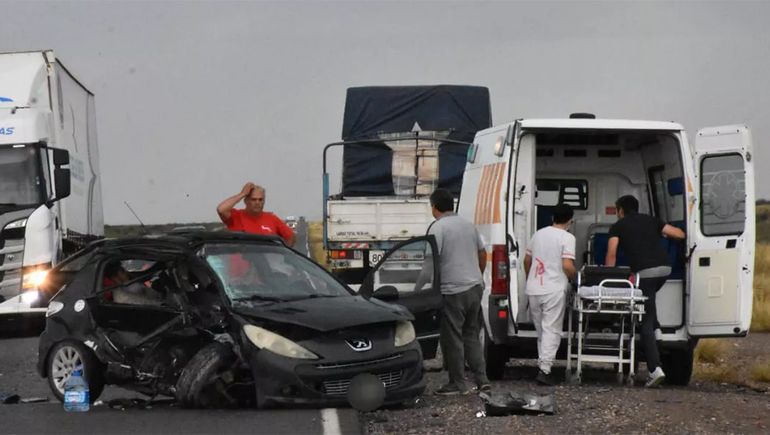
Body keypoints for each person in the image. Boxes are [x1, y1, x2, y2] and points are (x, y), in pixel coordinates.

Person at [605, 195, 686, 387]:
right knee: (649, 298)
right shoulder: (652, 220)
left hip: (646, 273)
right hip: (664, 269)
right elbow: (679, 234)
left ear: (620, 210)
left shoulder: (618, 226)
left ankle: (654, 369)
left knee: (645, 319)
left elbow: (611, 253)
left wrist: (608, 277)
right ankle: (657, 331)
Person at [421, 188, 491, 396]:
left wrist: (420, 286)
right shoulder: (468, 226)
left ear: (434, 206)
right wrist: (478, 275)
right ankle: (482, 380)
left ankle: (457, 382)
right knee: (471, 334)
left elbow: (430, 262)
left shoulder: (437, 228)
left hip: (453, 290)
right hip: (474, 287)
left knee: (453, 337)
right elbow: (482, 253)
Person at [523, 203, 577, 386]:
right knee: (551, 329)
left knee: (541, 331)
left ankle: (543, 365)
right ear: (570, 220)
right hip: (553, 289)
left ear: (552, 217)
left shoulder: (538, 234)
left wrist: (530, 278)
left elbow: (527, 260)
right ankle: (544, 370)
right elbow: (567, 266)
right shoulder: (568, 238)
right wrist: (576, 279)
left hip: (534, 288)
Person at [217, 182, 296, 247]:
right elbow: (221, 209)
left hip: (264, 265)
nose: (257, 203)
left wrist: (282, 254)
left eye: (260, 199)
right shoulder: (237, 216)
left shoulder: (271, 218)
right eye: (253, 199)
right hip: (242, 265)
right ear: (246, 201)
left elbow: (290, 236)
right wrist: (242, 194)